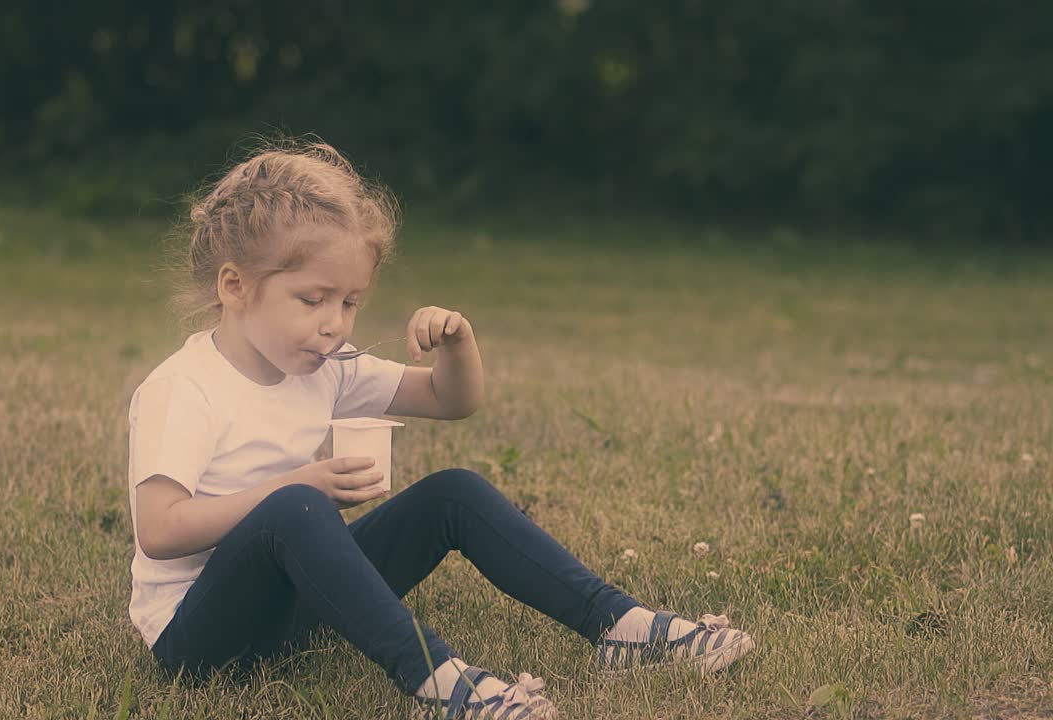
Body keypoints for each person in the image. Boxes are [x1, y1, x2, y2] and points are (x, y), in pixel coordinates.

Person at [126, 137, 755, 720]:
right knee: (294, 505)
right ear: (235, 287)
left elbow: (450, 401)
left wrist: (457, 344)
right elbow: (160, 530)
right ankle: (447, 685)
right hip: (199, 640)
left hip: (296, 610)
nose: (335, 325)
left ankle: (621, 626)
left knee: (451, 491)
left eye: (349, 303)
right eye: (312, 300)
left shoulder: (323, 367)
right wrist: (297, 487)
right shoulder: (185, 390)